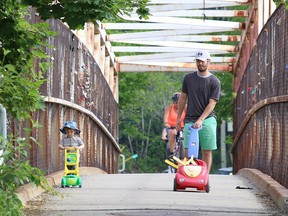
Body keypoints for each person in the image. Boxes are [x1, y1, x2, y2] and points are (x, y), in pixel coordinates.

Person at [176, 50, 221, 174]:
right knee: (188, 151)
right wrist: (179, 117)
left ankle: (204, 176)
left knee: (207, 151)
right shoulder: (189, 78)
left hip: (207, 120)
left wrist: (201, 119)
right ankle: (190, 175)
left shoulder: (214, 81)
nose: (200, 64)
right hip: (190, 119)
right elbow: (183, 97)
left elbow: (212, 103)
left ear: (208, 61)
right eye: (197, 61)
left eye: (202, 61)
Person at [163, 92, 186, 160]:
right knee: (172, 133)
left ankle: (186, 155)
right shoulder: (169, 108)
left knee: (187, 137)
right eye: (175, 102)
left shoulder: (185, 107)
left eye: (178, 102)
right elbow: (165, 117)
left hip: (182, 127)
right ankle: (172, 153)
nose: (177, 104)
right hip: (171, 127)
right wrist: (166, 123)